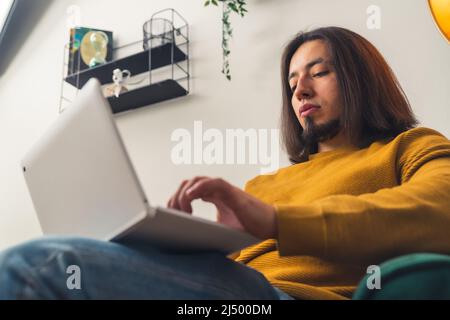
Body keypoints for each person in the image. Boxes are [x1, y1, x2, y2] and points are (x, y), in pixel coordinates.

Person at [1, 26, 449, 300]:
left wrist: (275, 220)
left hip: (282, 297)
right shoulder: (264, 184)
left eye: (319, 72)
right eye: (292, 81)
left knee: (37, 268)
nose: (299, 91)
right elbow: (229, 269)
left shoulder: (409, 147)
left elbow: (439, 213)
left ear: (359, 78)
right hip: (223, 288)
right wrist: (177, 244)